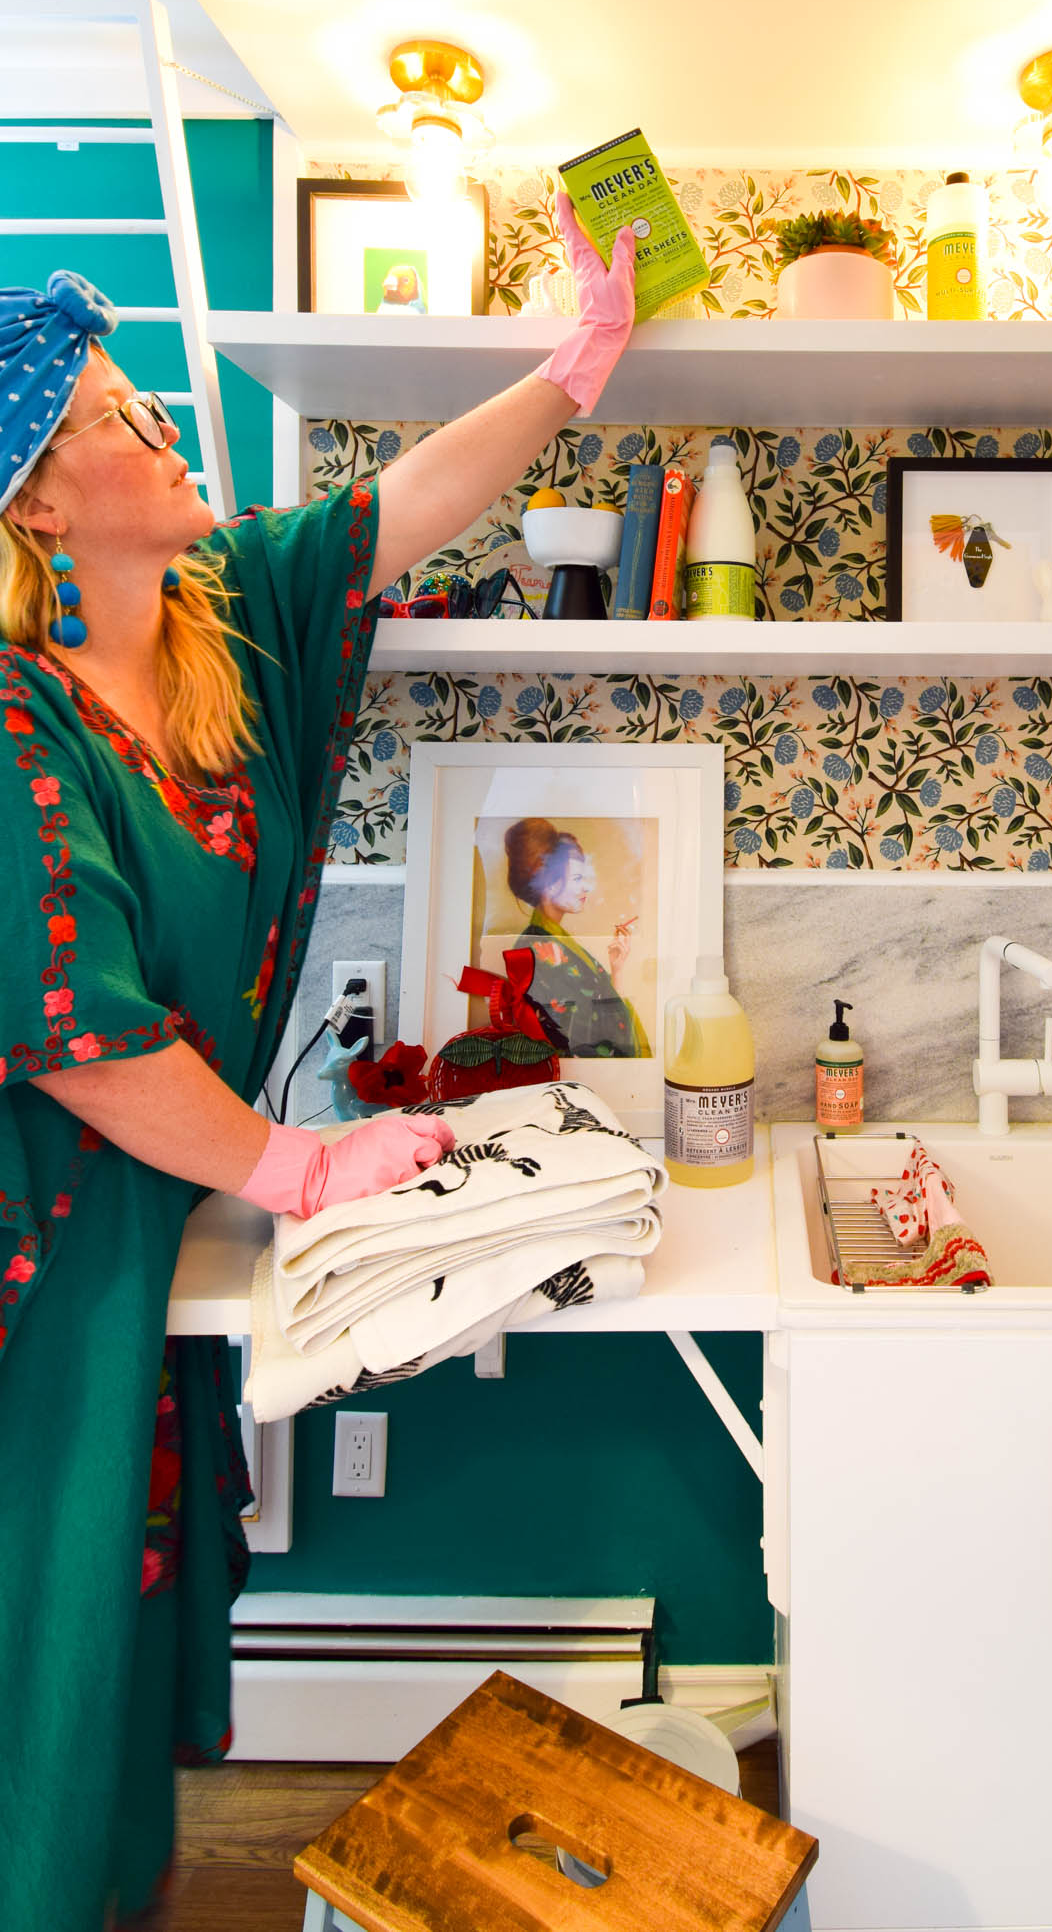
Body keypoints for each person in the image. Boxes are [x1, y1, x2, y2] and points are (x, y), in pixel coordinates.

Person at [0, 199, 635, 1932]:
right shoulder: (8, 711)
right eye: (127, 420)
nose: (169, 429)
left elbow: (391, 509)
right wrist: (290, 1167)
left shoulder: (218, 626)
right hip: (33, 1249)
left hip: (136, 1225)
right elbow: (73, 1028)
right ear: (36, 502)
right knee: (32, 1635)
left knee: (109, 1651)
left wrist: (573, 366)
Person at [501, 817, 650, 1058]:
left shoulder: (554, 941)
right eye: (578, 879)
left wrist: (617, 969)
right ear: (547, 884)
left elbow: (598, 1015)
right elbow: (584, 1036)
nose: (586, 888)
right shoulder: (540, 950)